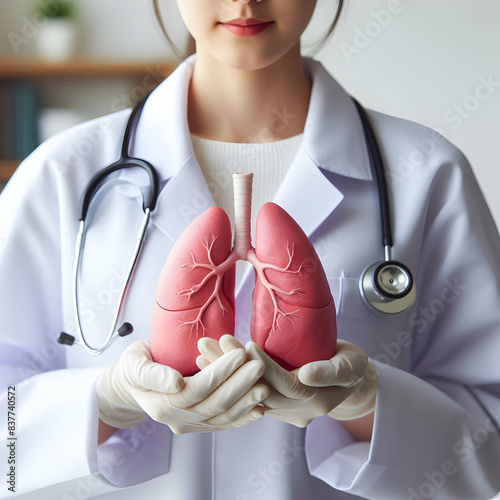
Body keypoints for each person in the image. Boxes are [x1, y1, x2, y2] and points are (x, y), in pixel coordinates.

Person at [1, 0, 500, 498]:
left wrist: (367, 405)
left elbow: (492, 450)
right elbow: (6, 452)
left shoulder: (424, 175)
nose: (244, 1)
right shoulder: (62, 176)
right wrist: (104, 404)